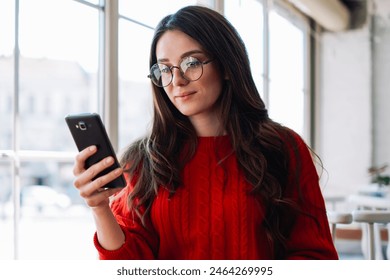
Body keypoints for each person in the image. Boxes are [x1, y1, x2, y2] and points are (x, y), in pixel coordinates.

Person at [72, 5, 339, 260]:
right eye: (165, 69)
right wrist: (99, 208)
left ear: (226, 66)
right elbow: (128, 265)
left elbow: (315, 255)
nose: (177, 81)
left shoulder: (283, 147)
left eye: (191, 63)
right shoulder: (142, 160)